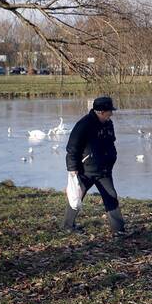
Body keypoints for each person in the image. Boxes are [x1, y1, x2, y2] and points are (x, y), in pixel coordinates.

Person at [62, 96, 125, 234]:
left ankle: (118, 230)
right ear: (101, 111)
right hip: (85, 170)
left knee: (111, 196)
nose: (112, 113)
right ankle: (68, 226)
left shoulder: (108, 124)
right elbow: (72, 148)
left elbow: (111, 142)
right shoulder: (84, 125)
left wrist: (111, 157)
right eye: (109, 111)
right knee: (77, 196)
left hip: (104, 170)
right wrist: (72, 169)